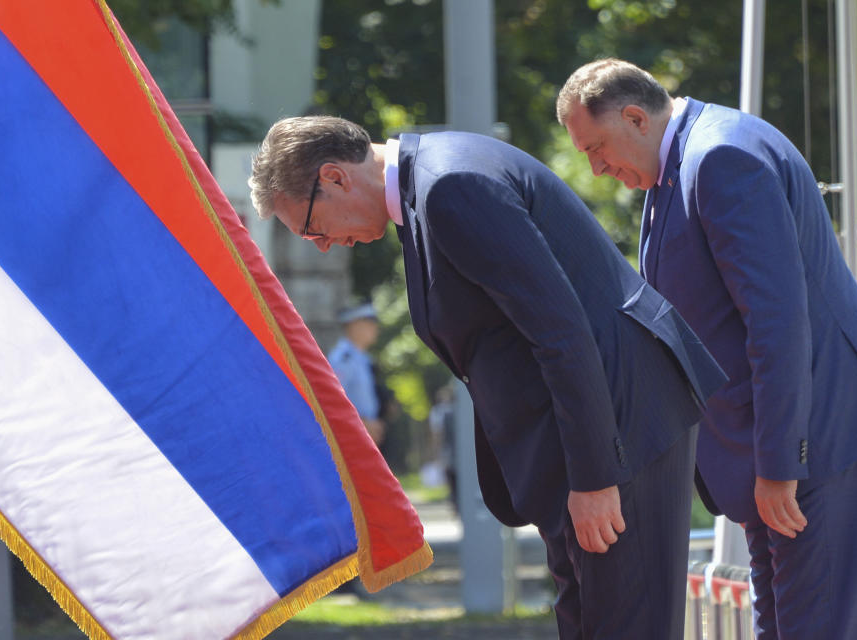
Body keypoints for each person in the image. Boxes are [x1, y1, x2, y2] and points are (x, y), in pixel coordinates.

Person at [249, 115, 726, 638]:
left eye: (312, 227)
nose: (322, 244)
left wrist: (595, 478)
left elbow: (560, 330)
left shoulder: (448, 185)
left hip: (619, 435)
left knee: (624, 626)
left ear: (335, 177)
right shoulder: (429, 182)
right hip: (594, 437)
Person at [558, 58, 857, 639]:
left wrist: (779, 464)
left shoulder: (720, 158)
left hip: (808, 450)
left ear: (634, 118)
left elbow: (776, 321)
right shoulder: (679, 162)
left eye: (596, 147)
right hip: (770, 455)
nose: (596, 169)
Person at [327, 302, 385, 445]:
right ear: (354, 325)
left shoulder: (363, 359)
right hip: (350, 434)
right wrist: (364, 423)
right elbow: (335, 399)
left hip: (364, 433)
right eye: (369, 323)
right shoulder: (343, 358)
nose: (375, 328)